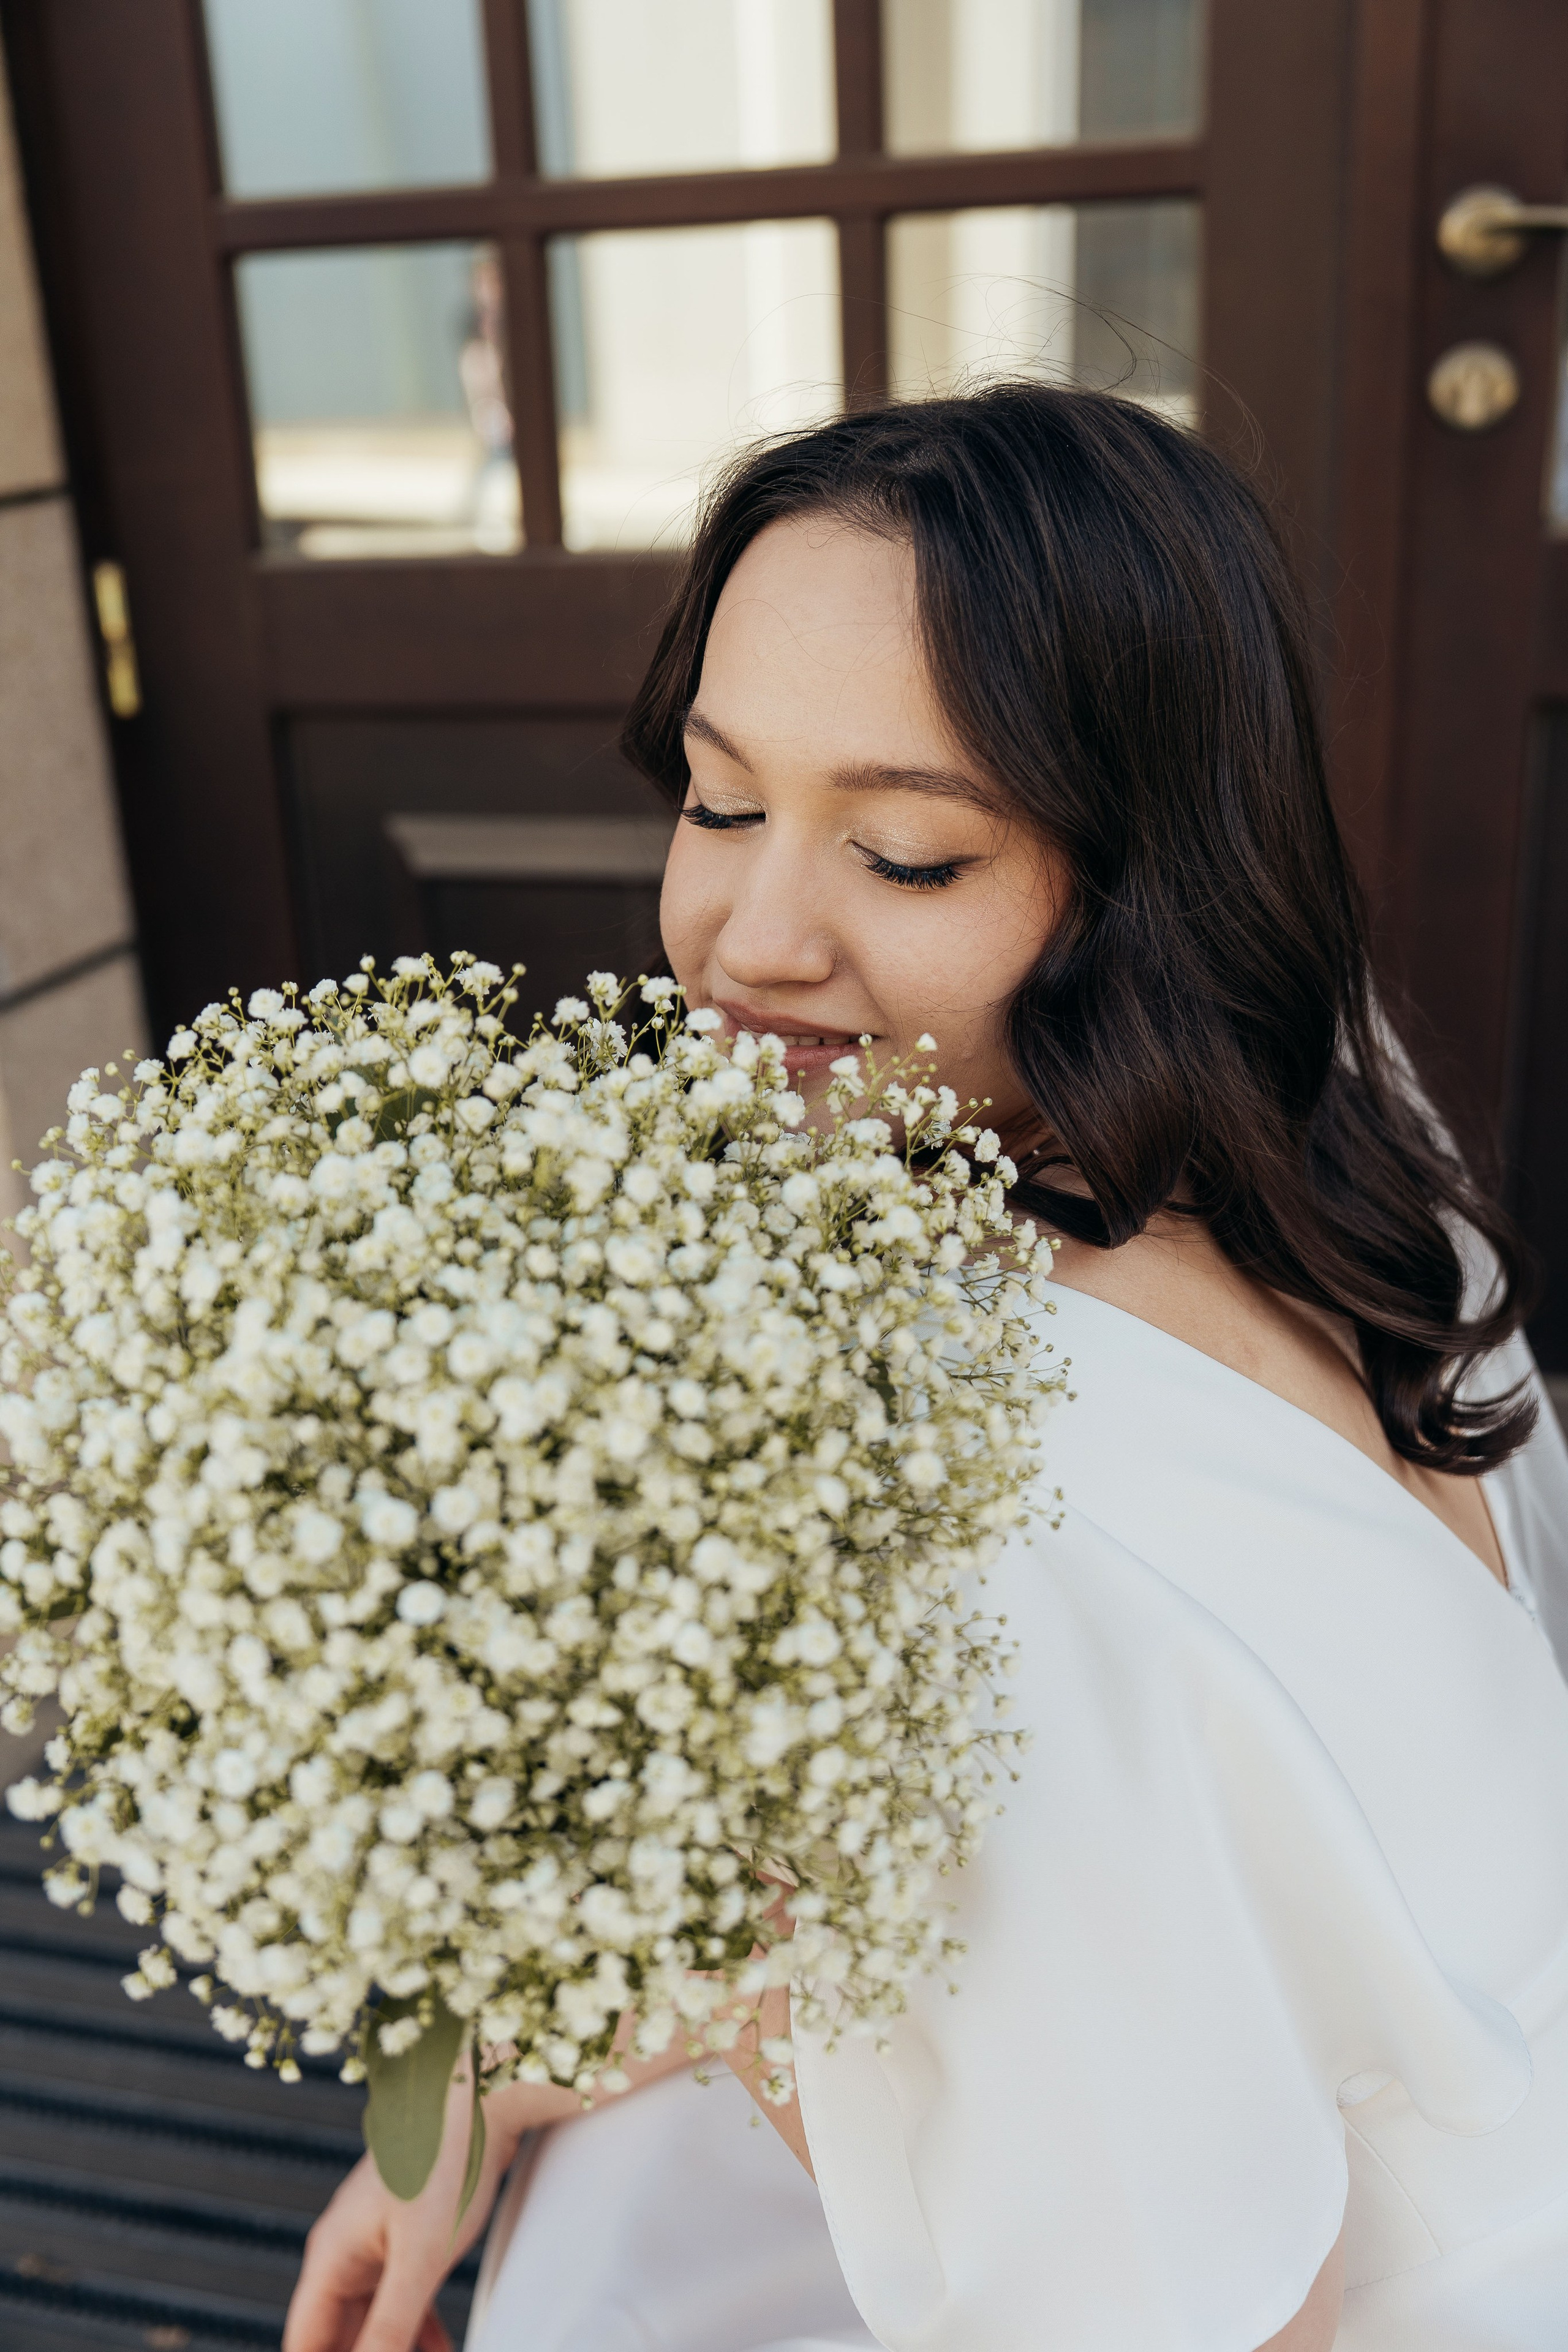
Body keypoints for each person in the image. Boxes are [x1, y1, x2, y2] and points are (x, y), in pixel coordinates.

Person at [284, 386, 1568, 2352]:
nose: (749, 934)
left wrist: (625, 2034)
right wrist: (483, 2095)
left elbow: (1196, 2300)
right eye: (719, 800)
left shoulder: (970, 1520)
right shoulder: (1327, 1144)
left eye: (902, 853)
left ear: (1143, 877)